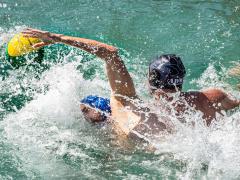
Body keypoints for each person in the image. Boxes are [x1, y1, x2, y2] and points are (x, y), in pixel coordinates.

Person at [22, 28, 240, 143]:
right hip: (193, 147)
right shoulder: (211, 97)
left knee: (90, 105)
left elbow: (110, 53)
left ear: (150, 81)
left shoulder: (132, 107)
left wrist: (56, 37)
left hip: (132, 155)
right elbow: (235, 103)